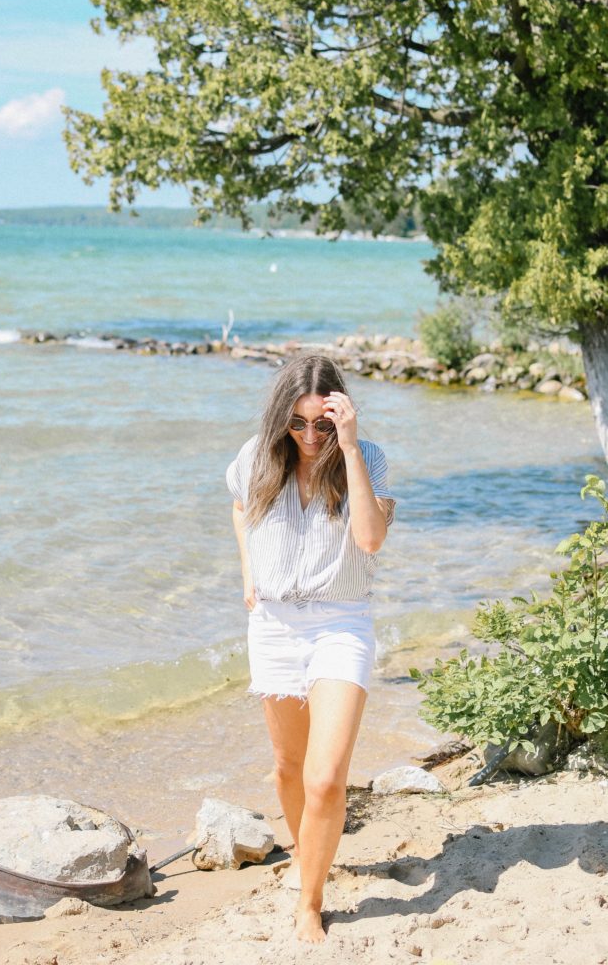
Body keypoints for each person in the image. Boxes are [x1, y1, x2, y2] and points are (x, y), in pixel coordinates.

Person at [225, 353, 395, 943]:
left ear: (339, 416)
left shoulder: (365, 458)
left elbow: (370, 540)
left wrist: (347, 448)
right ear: (281, 420)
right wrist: (248, 574)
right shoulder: (255, 457)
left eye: (322, 423)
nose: (309, 437)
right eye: (298, 424)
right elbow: (242, 508)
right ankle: (308, 859)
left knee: (325, 779)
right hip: (273, 624)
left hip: (342, 623)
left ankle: (310, 902)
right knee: (289, 768)